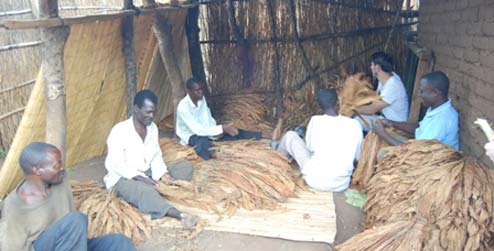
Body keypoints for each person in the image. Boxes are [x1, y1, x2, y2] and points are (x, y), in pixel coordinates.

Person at [0, 142, 135, 251]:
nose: (62, 167)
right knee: (75, 220)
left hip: (70, 244)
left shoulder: (60, 180)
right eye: (57, 164)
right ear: (37, 170)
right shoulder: (14, 210)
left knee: (119, 243)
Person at [104, 90, 198, 228]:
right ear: (136, 109)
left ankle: (159, 190)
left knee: (185, 167)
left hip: (147, 172)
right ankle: (178, 215)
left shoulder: (152, 128)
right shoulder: (119, 131)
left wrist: (163, 174)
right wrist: (146, 180)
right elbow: (117, 165)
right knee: (145, 191)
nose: (152, 116)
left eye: (154, 112)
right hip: (123, 177)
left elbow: (155, 156)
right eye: (148, 112)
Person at [277, 88, 363, 192]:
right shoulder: (355, 124)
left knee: (290, 135)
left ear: (320, 106)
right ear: (338, 103)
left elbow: (309, 148)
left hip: (314, 179)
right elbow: (358, 157)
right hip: (340, 184)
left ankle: (276, 161)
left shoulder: (315, 120)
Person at [176, 77, 272, 160]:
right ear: (189, 91)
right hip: (192, 135)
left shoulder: (201, 99)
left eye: (202, 89)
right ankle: (215, 155)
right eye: (197, 90)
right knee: (202, 143)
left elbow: (207, 118)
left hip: (206, 130)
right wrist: (220, 128)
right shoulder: (183, 107)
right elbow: (197, 130)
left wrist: (217, 132)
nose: (201, 92)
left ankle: (262, 135)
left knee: (234, 132)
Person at [373, 71, 459, 150]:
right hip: (422, 150)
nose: (419, 94)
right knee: (381, 143)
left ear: (435, 93)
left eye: (422, 91)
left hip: (432, 161)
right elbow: (420, 127)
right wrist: (392, 123)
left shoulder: (442, 119)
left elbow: (417, 151)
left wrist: (382, 134)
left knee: (383, 152)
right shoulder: (436, 108)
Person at [355, 51, 409, 130]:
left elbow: (372, 109)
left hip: (396, 126)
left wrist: (352, 108)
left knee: (357, 121)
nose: (370, 67)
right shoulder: (386, 76)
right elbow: (375, 97)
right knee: (359, 116)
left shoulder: (393, 86)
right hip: (386, 119)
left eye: (372, 65)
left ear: (377, 68)